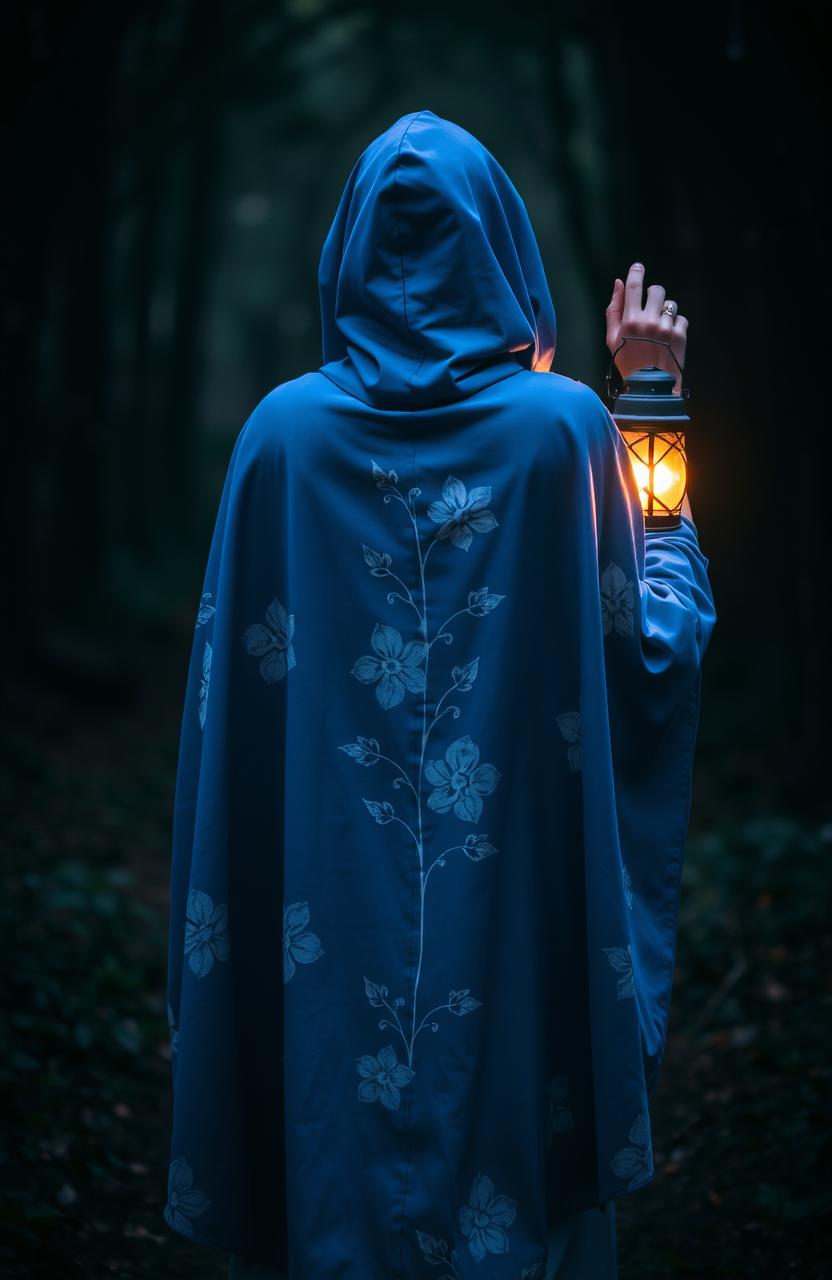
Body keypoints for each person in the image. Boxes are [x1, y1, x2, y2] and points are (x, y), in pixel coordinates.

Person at [162, 109, 716, 1280]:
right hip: (517, 944)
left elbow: (227, 734)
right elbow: (651, 646)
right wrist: (651, 400)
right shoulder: (564, 433)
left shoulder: (280, 439)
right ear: (503, 250)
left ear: (345, 251)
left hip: (318, 943)